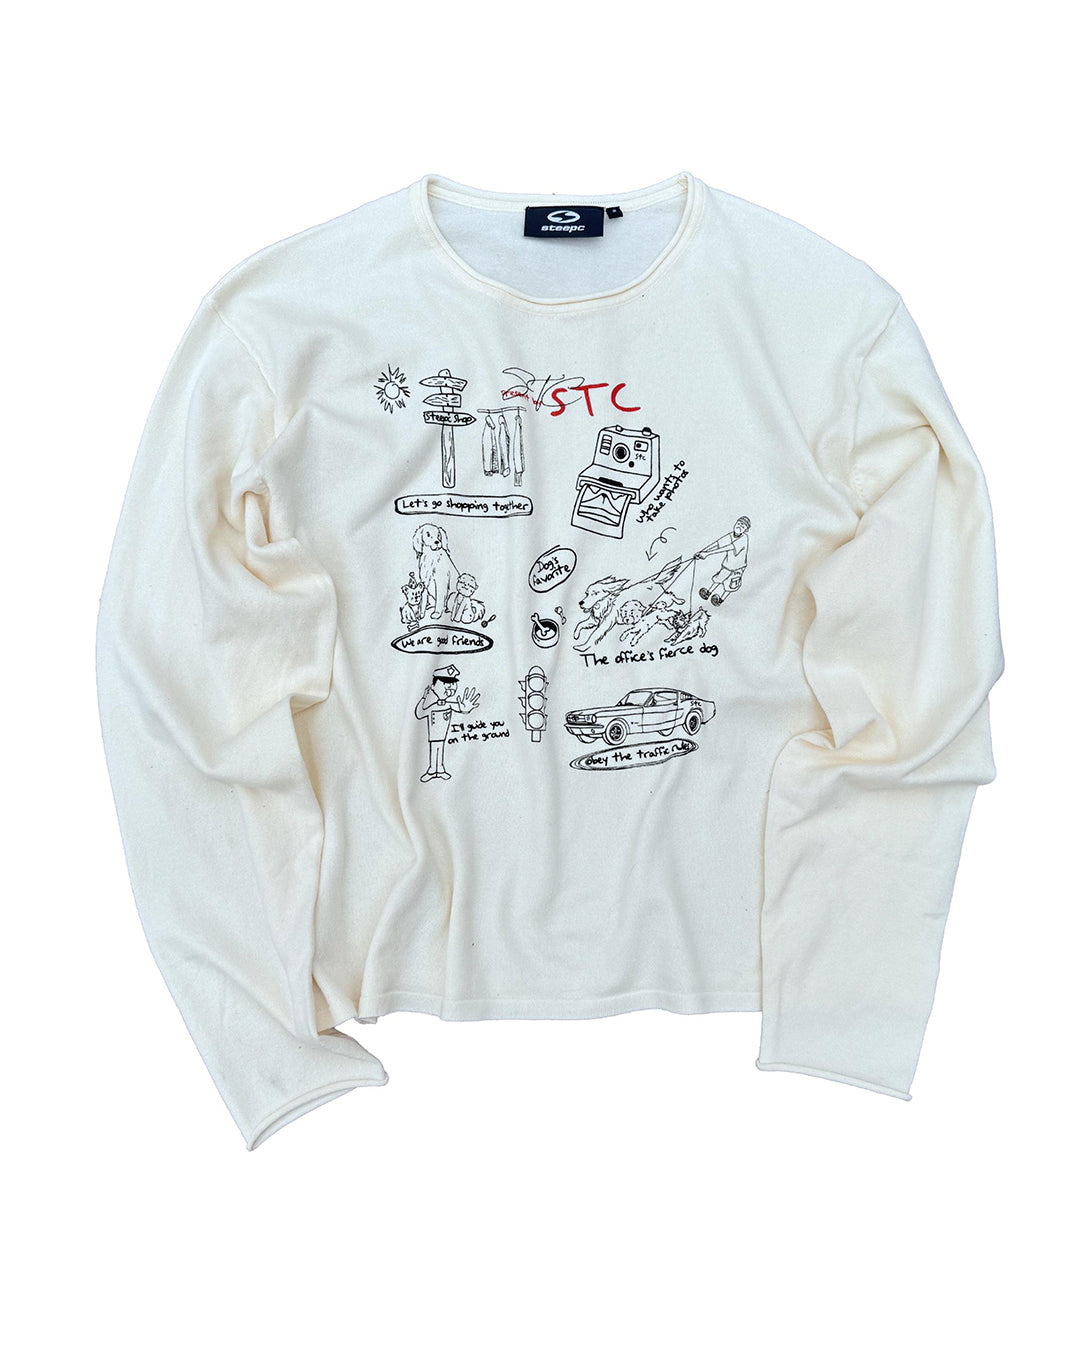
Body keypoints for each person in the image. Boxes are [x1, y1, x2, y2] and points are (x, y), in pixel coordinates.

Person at [414, 665, 480, 782]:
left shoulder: (449, 704)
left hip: (443, 735)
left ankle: (440, 769)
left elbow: (460, 708)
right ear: (434, 686)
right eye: (445, 683)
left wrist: (466, 708)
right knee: (434, 749)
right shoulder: (432, 706)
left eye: (452, 683)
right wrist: (424, 698)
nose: (450, 687)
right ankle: (432, 770)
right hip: (433, 735)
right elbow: (419, 713)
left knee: (440, 749)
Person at [697, 516, 751, 606]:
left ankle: (720, 599)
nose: (740, 526)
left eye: (743, 526)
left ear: (746, 530)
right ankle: (708, 592)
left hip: (737, 568)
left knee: (730, 585)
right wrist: (703, 551)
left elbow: (728, 547)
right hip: (727, 565)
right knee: (718, 578)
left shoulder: (744, 538)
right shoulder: (730, 535)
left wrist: (707, 554)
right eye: (739, 523)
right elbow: (718, 543)